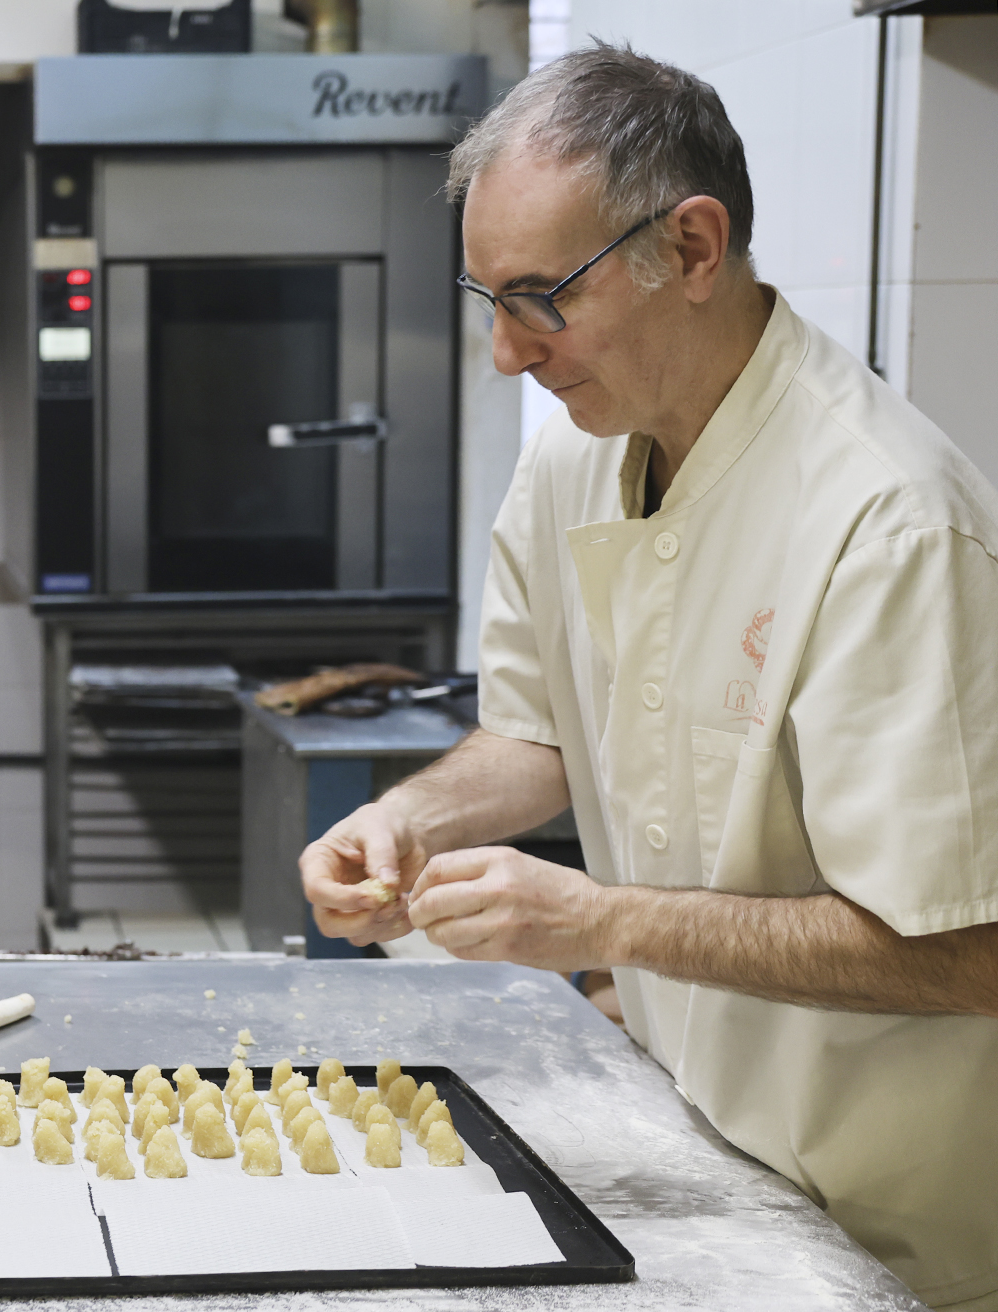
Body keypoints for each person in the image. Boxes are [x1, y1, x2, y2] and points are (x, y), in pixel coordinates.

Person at [301, 43, 998, 1311]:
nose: (509, 353)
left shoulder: (890, 520)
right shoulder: (580, 456)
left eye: (539, 296)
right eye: (487, 297)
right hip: (700, 1158)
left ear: (690, 248)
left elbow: (963, 952)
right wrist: (407, 818)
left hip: (890, 1236)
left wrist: (597, 921)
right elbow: (544, 735)